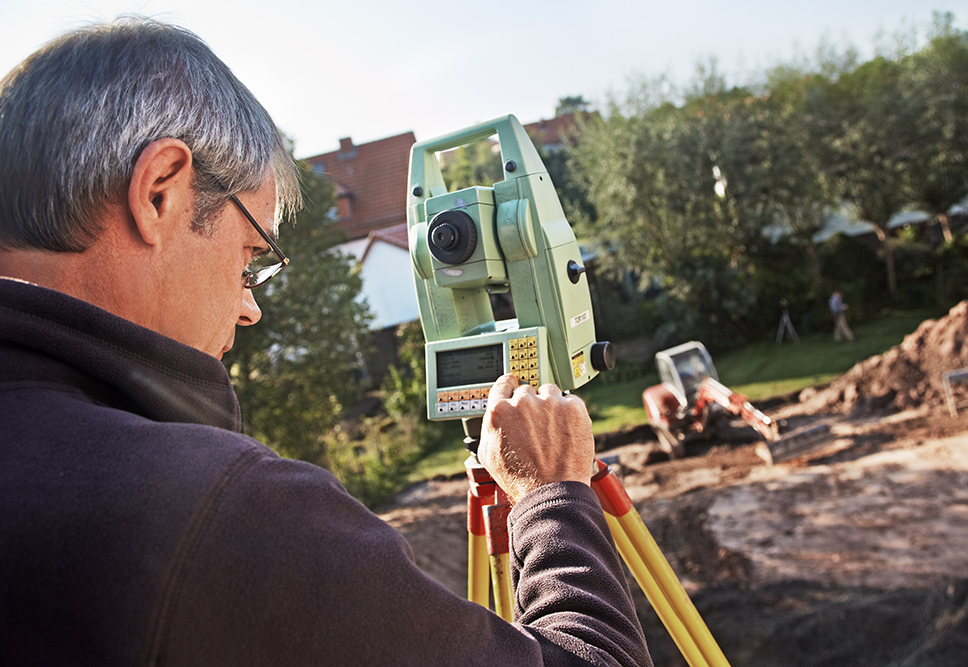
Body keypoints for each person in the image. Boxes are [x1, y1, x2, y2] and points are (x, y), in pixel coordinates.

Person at [0, 18, 652, 667]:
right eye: (251, 256)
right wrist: (552, 497)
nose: (249, 306)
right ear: (161, 192)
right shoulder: (223, 512)